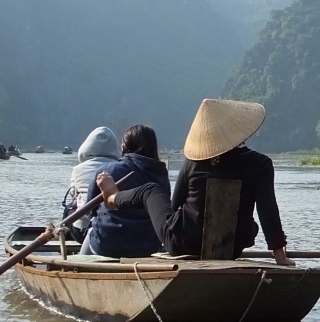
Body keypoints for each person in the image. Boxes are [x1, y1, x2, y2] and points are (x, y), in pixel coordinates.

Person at [96, 99, 294, 266]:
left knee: (151, 190)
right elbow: (268, 211)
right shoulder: (261, 164)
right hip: (232, 246)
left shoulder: (194, 162)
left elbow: (174, 206)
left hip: (182, 244)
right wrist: (279, 256)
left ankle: (112, 197)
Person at [80, 124, 170, 257]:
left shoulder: (106, 172)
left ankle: (76, 269)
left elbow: (91, 207)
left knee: (90, 235)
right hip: (149, 245)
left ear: (124, 146)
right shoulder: (161, 175)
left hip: (106, 244)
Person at [62, 126, 121, 243]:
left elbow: (74, 195)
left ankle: (64, 238)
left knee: (70, 207)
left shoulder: (78, 169)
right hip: (110, 229)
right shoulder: (119, 168)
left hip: (81, 231)